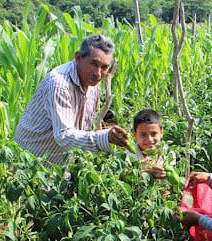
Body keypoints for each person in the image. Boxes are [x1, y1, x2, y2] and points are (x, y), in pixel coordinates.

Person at [14, 35, 129, 165]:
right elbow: (63, 135)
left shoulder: (92, 83)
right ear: (78, 57)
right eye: (94, 63)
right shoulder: (59, 84)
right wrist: (104, 137)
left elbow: (83, 127)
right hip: (31, 162)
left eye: (104, 67)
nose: (98, 73)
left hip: (61, 161)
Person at [128, 109, 174, 179]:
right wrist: (145, 172)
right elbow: (124, 178)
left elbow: (171, 183)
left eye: (154, 134)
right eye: (143, 134)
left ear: (161, 132)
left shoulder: (168, 153)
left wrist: (166, 176)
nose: (149, 139)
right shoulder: (129, 155)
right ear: (134, 134)